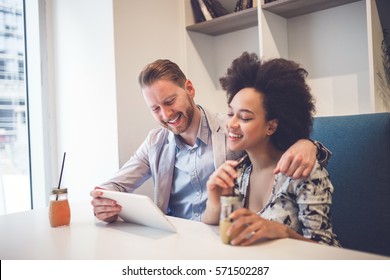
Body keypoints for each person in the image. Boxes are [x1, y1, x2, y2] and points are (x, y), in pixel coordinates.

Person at [90, 58, 331, 223]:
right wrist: (103, 204)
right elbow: (113, 187)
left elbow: (276, 145)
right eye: (155, 108)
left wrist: (308, 144)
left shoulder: (230, 131)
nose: (166, 115)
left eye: (170, 102)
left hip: (219, 239)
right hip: (176, 242)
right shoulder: (156, 142)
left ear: (190, 89)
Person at [202, 52, 340, 247]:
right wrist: (215, 200)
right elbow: (214, 230)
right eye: (230, 113)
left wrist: (284, 233)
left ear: (271, 126)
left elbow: (327, 251)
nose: (231, 124)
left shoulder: (301, 171)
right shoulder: (238, 172)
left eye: (245, 117)